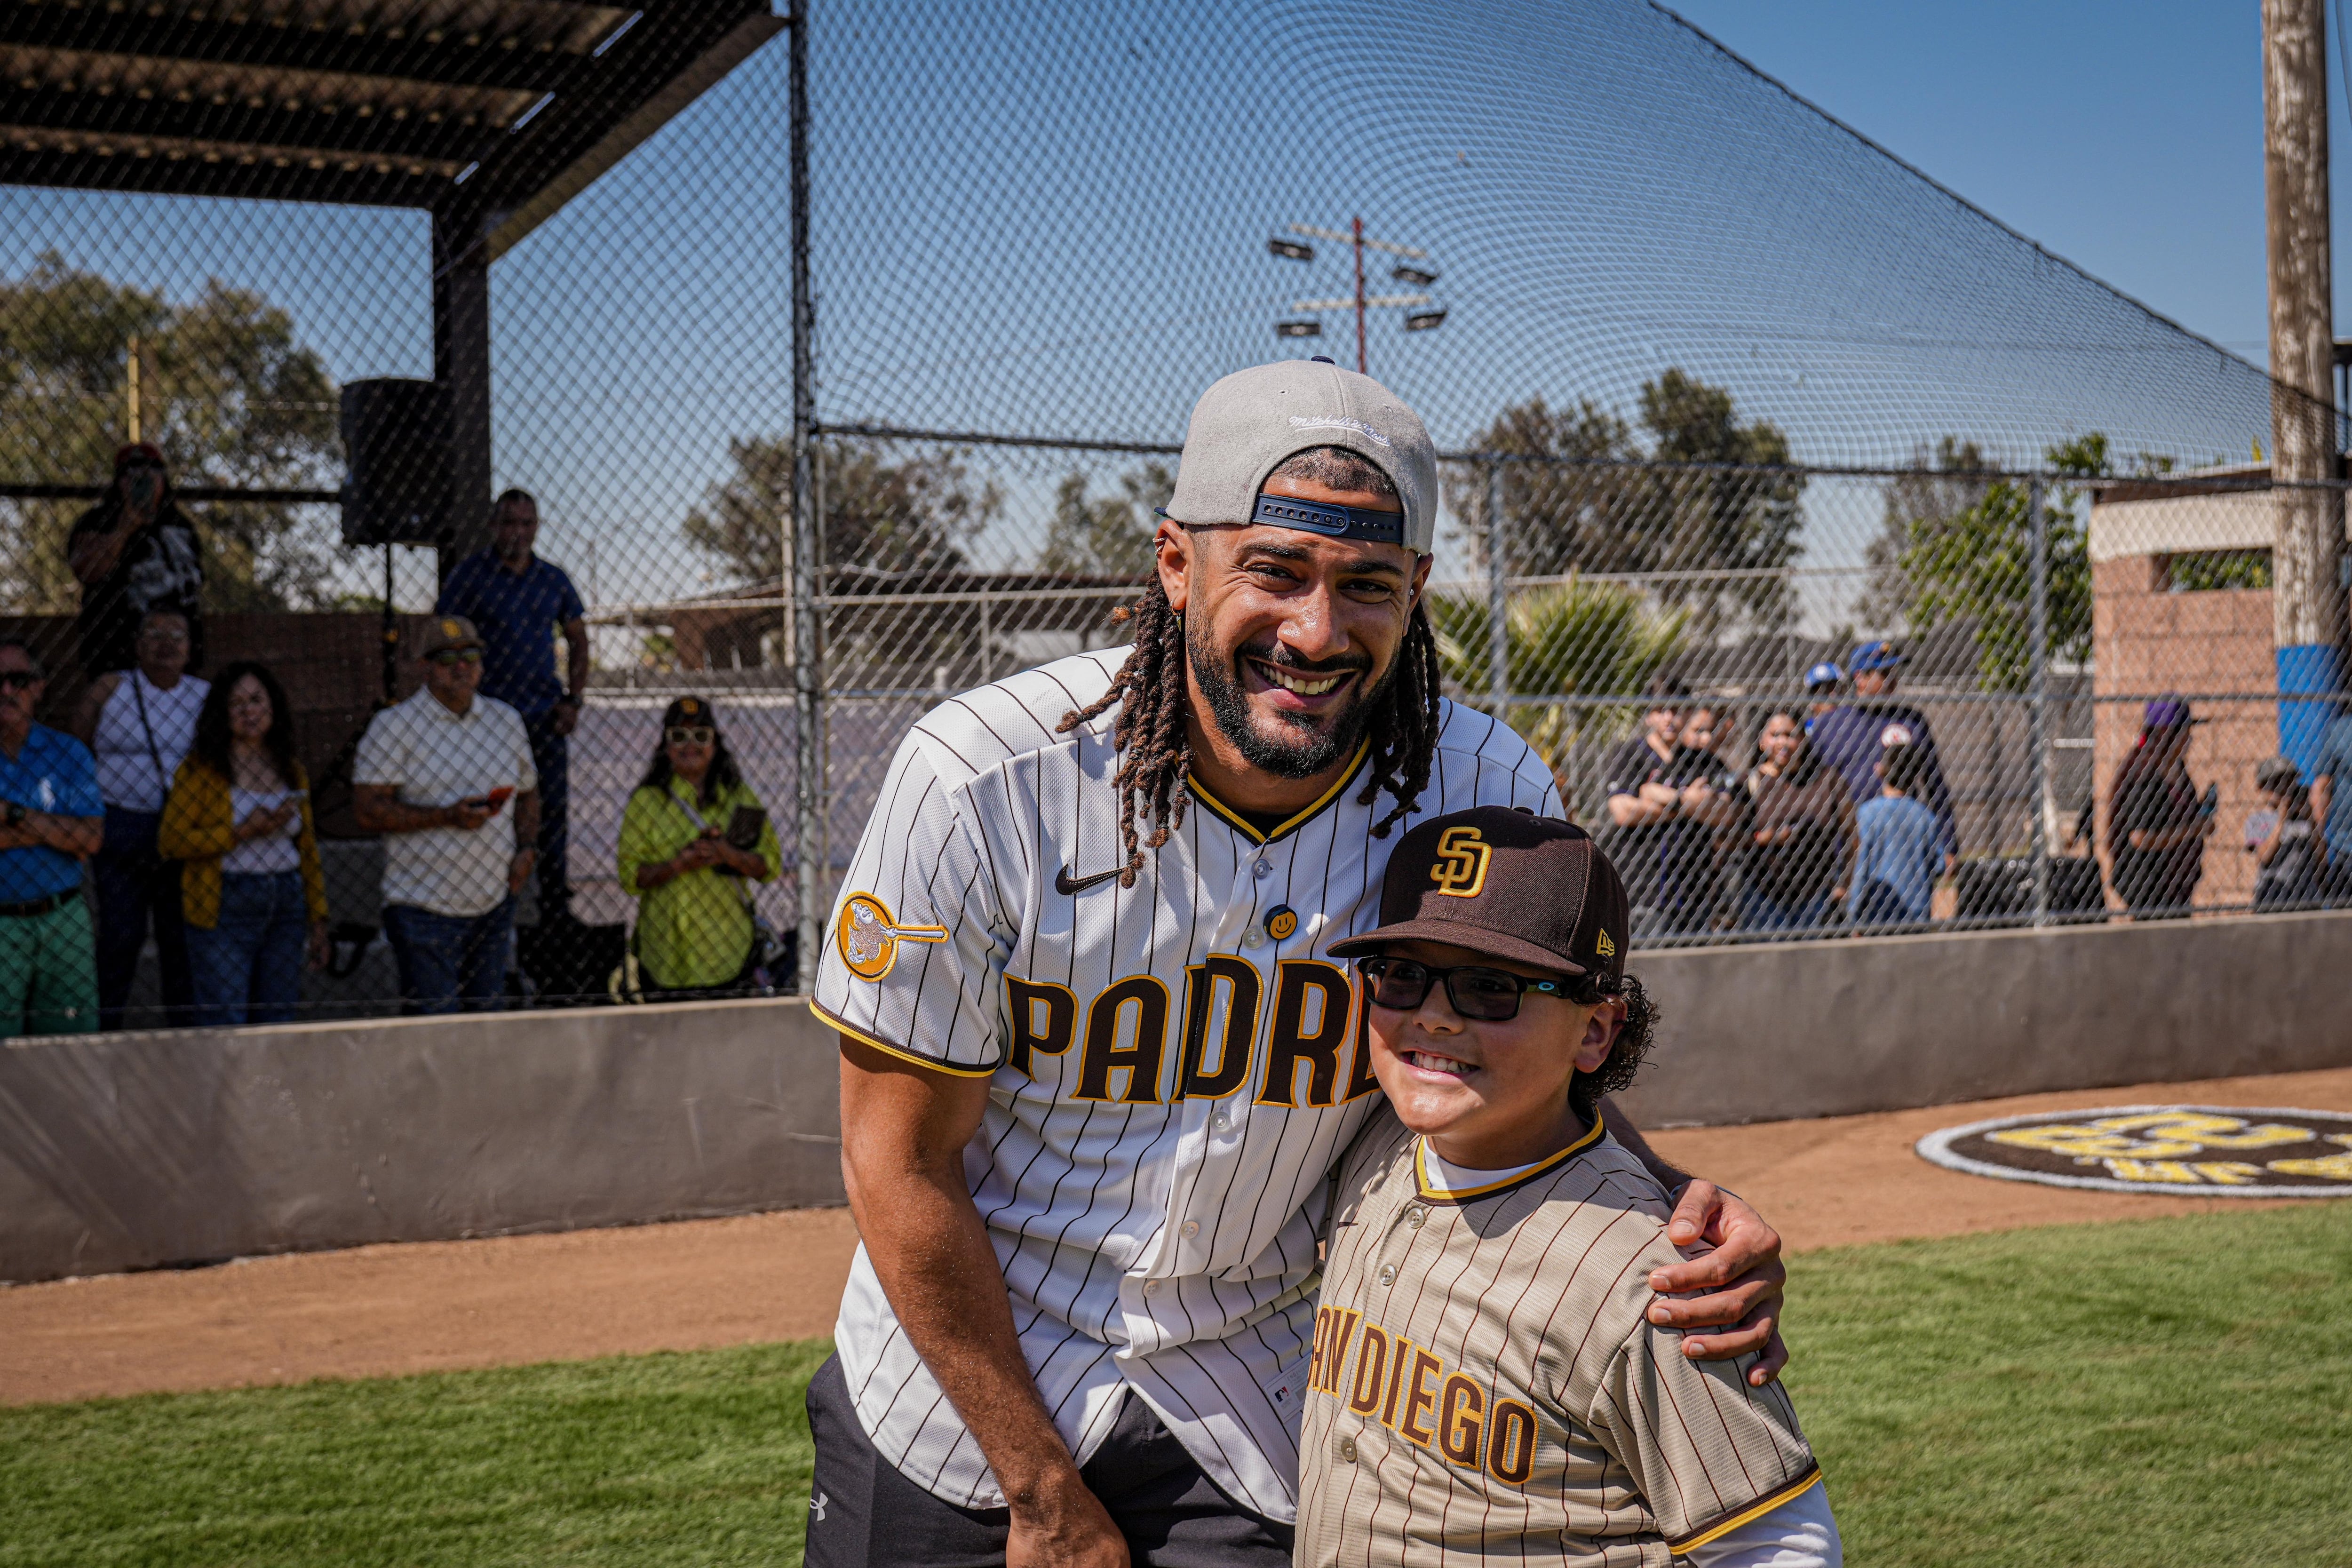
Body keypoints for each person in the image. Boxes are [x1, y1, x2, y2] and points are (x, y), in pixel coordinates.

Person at [807, 361, 1788, 1568]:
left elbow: (1516, 1065)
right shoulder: (979, 781)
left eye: (1367, 585)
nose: (1316, 631)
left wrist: (1680, 1219)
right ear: (1177, 565)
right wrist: (1039, 1490)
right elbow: (896, 1158)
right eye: (1274, 571)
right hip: (956, 1408)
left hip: (1246, 1403)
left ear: (1416, 590)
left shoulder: (1484, 793)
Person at [1305, 808, 1839, 1567]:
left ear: (1596, 1029)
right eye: (1402, 974)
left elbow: (1781, 1542)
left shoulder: (1649, 1278)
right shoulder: (1375, 1147)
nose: (1432, 1014)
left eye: (1489, 987)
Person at [352, 616, 539, 1014]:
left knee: (485, 1025)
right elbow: (367, 811)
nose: (461, 666)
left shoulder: (506, 721)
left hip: (493, 901)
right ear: (424, 666)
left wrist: (526, 848)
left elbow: (528, 793)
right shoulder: (394, 726)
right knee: (435, 1033)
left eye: (471, 656)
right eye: (447, 658)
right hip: (423, 906)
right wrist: (444, 817)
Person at [435, 490, 588, 916]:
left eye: (526, 524)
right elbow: (444, 638)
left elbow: (578, 639)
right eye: (508, 523)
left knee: (551, 810)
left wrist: (573, 701)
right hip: (486, 721)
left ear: (536, 527)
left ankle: (555, 903)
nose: (517, 533)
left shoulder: (553, 580)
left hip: (543, 717)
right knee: (490, 806)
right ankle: (485, 899)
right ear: (493, 526)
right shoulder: (469, 577)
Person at [159, 663, 330, 1028]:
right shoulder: (201, 769)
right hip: (224, 903)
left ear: (273, 706)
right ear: (221, 713)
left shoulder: (291, 769)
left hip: (286, 902)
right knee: (225, 1018)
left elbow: (309, 849)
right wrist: (241, 831)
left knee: (278, 1017)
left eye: (256, 700)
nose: (248, 711)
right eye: (236, 704)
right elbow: (171, 841)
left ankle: (270, 1087)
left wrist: (318, 916)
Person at [68, 608, 207, 1028]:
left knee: (178, 940)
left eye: (176, 635)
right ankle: (105, 1030)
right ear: (137, 644)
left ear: (190, 648)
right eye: (154, 633)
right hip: (120, 825)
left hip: (179, 831)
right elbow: (76, 746)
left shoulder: (203, 694)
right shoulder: (112, 688)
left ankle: (179, 1036)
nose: (166, 642)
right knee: (120, 936)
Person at [616, 696, 784, 999]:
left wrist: (725, 854)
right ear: (666, 746)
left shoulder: (739, 798)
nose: (690, 745)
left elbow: (769, 866)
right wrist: (679, 864)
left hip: (729, 952)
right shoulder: (646, 802)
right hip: (665, 955)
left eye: (701, 736)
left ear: (715, 743)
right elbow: (630, 877)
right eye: (679, 736)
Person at [0, 640, 105, 1036]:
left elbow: (91, 839)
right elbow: (75, 837)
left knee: (70, 1047)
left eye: (18, 680)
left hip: (64, 918)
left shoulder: (69, 753)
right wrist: (56, 832)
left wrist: (14, 815)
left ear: (39, 687)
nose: (7, 691)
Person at [1603, 678, 1739, 938]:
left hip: (1695, 890)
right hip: (1642, 888)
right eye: (1660, 710)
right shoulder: (1630, 753)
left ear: (1690, 714)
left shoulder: (1704, 760)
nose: (1669, 717)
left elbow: (1725, 812)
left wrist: (1665, 798)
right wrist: (1690, 802)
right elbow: (1623, 811)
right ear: (1649, 717)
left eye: (1677, 710)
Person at [1807, 641, 1956, 875]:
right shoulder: (1829, 725)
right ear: (1860, 678)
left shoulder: (1912, 722)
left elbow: (1936, 787)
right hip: (1846, 845)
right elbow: (1811, 787)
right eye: (1885, 674)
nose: (1893, 681)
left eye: (1894, 673)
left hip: (1902, 842)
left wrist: (1948, 845)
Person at [66, 443, 206, 681]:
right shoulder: (98, 521)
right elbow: (87, 570)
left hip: (180, 664)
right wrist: (127, 525)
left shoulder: (181, 525)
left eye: (151, 475)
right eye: (132, 476)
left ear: (163, 480)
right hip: (117, 657)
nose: (143, 482)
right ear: (119, 482)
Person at [1742, 706, 1854, 932]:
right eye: (1775, 735)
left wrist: (1845, 883)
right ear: (1762, 741)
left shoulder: (1827, 780)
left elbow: (1852, 834)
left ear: (1803, 740)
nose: (1783, 742)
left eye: (1791, 735)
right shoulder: (1750, 782)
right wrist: (1767, 839)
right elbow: (1735, 838)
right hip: (1763, 895)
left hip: (1816, 894)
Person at [2104, 695, 2211, 920]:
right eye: (2185, 732)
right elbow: (2140, 837)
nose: (2190, 739)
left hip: (2175, 886)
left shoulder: (2178, 772)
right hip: (2149, 886)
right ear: (2168, 736)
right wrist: (2191, 831)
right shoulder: (2146, 774)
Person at [1848, 742, 1942, 929]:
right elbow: (1938, 865)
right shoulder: (1925, 816)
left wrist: (1853, 914)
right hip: (1915, 911)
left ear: (1880, 770)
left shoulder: (1867, 813)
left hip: (1874, 913)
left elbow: (1861, 866)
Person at [2248, 755, 2324, 911]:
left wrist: (2312, 820)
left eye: (2289, 783)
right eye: (2277, 784)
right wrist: (2282, 817)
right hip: (2273, 897)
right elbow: (2265, 857)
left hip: (2305, 897)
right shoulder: (2258, 819)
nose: (2284, 790)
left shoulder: (2303, 821)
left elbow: (2321, 855)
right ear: (2262, 788)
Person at [1801, 660, 1842, 732]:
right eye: (1823, 692)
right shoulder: (1806, 731)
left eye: (1836, 689)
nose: (1832, 695)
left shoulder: (1855, 723)